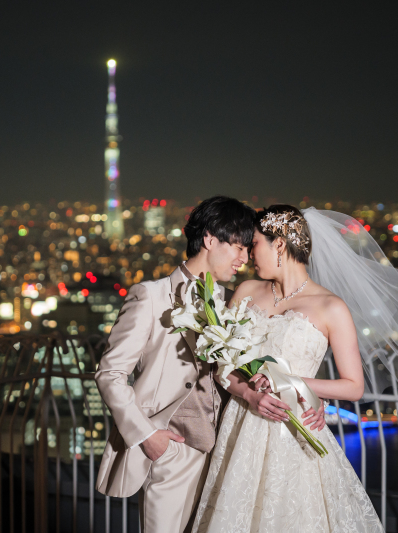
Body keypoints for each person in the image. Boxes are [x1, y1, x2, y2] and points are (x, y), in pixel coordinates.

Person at [193, 205, 398, 533]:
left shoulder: (331, 307)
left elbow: (353, 386)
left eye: (254, 244)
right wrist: (247, 394)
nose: (249, 254)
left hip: (293, 428)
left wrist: (294, 382)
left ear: (279, 245)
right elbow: (222, 364)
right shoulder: (245, 292)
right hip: (240, 427)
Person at [96, 196, 270, 533]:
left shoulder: (234, 301)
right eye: (238, 247)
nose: (244, 258)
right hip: (172, 451)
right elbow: (110, 373)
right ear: (209, 239)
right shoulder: (151, 296)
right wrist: (148, 436)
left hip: (226, 454)